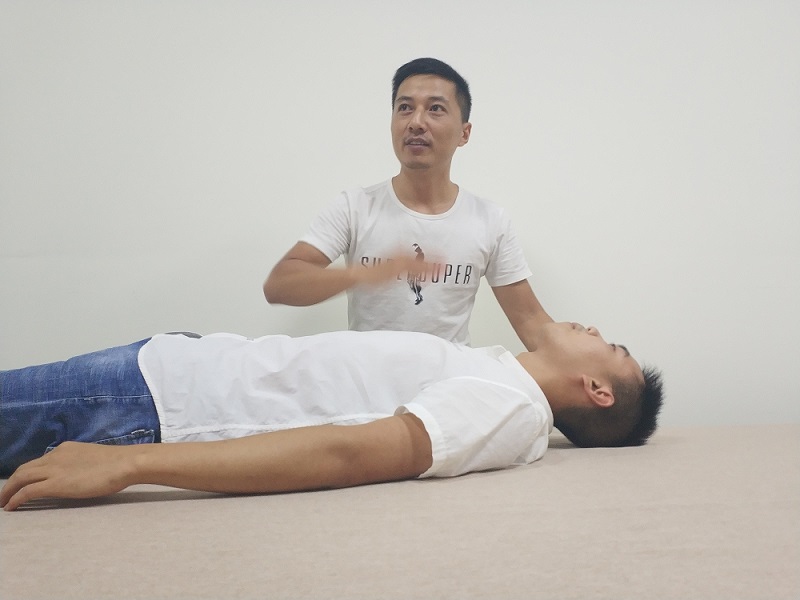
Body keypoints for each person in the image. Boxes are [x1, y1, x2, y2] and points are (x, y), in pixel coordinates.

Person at [0, 322, 663, 511]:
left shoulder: (507, 408)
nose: (593, 328)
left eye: (610, 347)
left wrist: (127, 463)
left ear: (597, 391)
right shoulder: (496, 372)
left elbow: (348, 454)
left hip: (147, 405)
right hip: (170, 373)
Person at [264, 57, 552, 350]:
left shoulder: (490, 219)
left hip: (450, 377)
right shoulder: (355, 206)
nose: (416, 122)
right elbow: (280, 285)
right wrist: (367, 274)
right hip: (369, 374)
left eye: (435, 109)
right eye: (405, 108)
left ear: (464, 133)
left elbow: (530, 320)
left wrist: (576, 353)